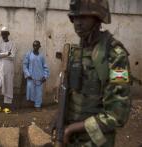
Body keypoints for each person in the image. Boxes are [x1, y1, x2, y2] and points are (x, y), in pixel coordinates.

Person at [52, 0, 131, 146]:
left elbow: (117, 114)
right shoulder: (74, 52)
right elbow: (70, 95)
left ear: (98, 19)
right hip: (71, 139)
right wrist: (59, 120)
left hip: (96, 141)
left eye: (84, 17)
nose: (78, 23)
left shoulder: (114, 55)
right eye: (75, 18)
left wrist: (72, 129)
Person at [0, 26, 16, 113]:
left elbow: (12, 56)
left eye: (5, 34)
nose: (4, 35)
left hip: (9, 67)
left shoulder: (12, 44)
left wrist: (0, 53)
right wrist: (6, 53)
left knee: (8, 85)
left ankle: (6, 106)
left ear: (8, 34)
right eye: (2, 34)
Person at [23, 40, 50, 111]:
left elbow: (45, 67)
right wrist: (27, 74)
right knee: (30, 90)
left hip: (39, 77)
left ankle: (38, 105)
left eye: (36, 45)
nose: (35, 47)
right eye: (34, 45)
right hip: (31, 77)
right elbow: (25, 65)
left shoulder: (41, 56)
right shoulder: (29, 54)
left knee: (39, 92)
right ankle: (30, 104)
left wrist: (45, 76)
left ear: (39, 46)